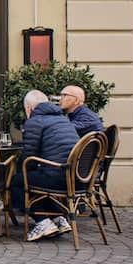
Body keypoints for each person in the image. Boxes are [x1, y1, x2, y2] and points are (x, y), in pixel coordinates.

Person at [10, 90, 79, 242]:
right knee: (37, 178)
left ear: (29, 108)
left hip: (58, 177)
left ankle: (42, 221)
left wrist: (21, 172)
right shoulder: (63, 119)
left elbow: (30, 157)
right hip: (77, 178)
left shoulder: (35, 122)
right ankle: (58, 218)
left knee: (17, 183)